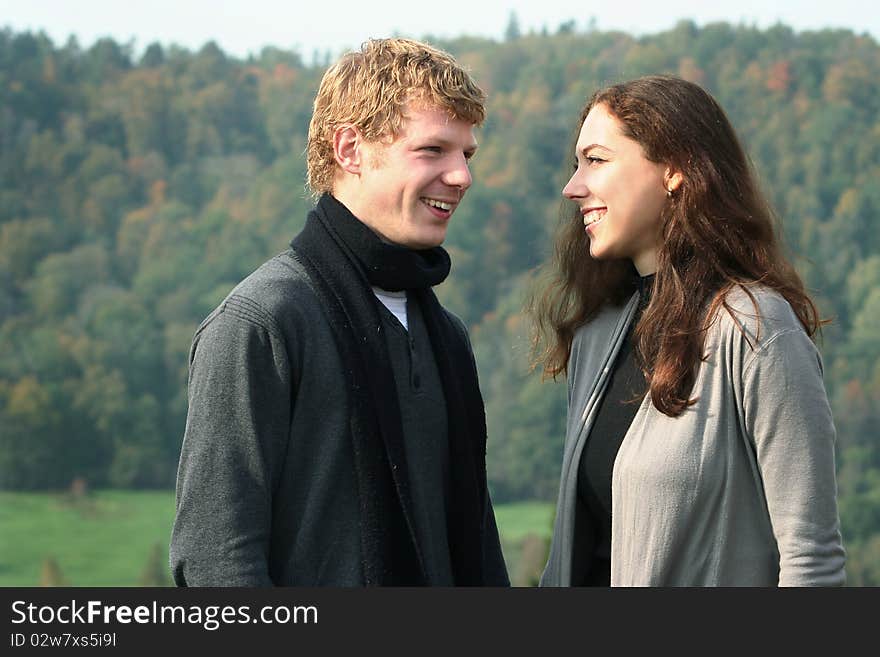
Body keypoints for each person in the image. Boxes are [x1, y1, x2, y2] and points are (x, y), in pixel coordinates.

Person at [169, 38, 509, 586]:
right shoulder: (263, 323)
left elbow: (477, 542)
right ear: (350, 149)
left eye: (466, 155)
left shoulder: (445, 336)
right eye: (432, 150)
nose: (462, 176)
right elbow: (216, 561)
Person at [533, 75, 845, 586]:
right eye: (576, 164)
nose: (573, 186)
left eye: (596, 160)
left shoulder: (755, 330)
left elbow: (811, 558)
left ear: (674, 169)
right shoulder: (597, 337)